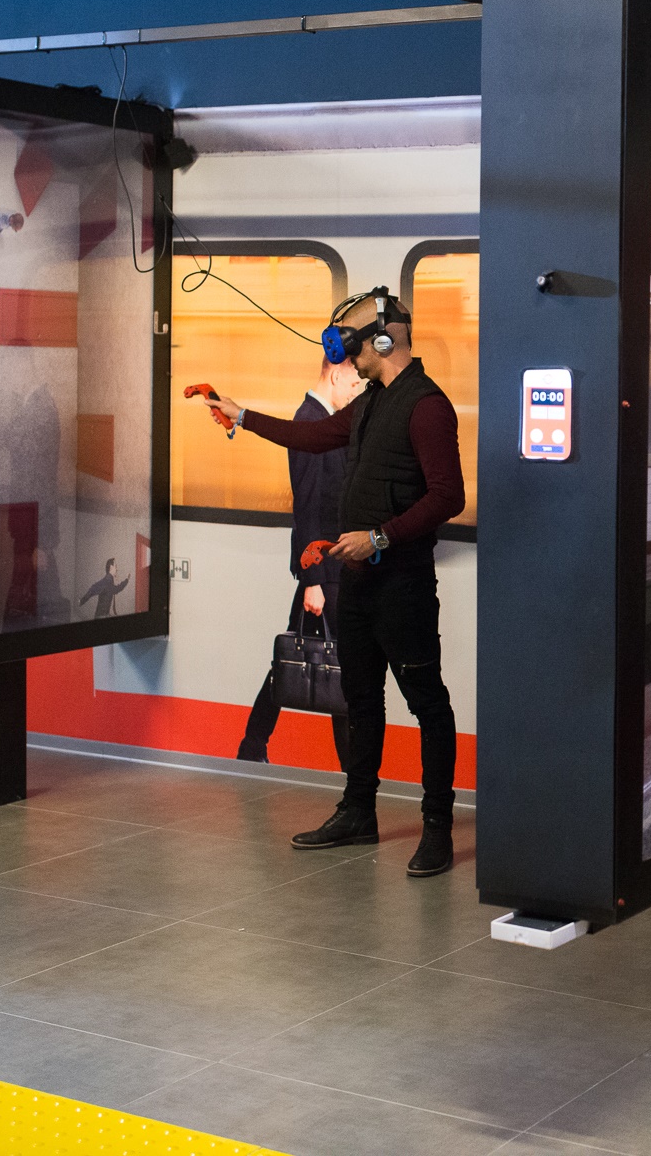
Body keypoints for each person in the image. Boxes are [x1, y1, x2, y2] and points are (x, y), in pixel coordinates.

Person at [202, 288, 465, 876]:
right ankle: (358, 813)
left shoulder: (426, 406)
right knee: (361, 700)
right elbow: (313, 437)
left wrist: (379, 538)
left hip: (402, 586)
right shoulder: (371, 402)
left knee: (427, 703)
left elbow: (449, 496)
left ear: (384, 340)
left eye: (351, 345)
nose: (343, 357)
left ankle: (437, 828)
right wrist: (241, 415)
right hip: (358, 586)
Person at [236, 355, 367, 765]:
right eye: (354, 383)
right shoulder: (309, 420)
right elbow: (307, 505)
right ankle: (352, 774)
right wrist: (313, 581)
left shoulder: (323, 419)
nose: (356, 391)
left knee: (305, 656)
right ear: (336, 374)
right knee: (338, 663)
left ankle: (253, 745)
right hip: (324, 570)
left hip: (329, 566)